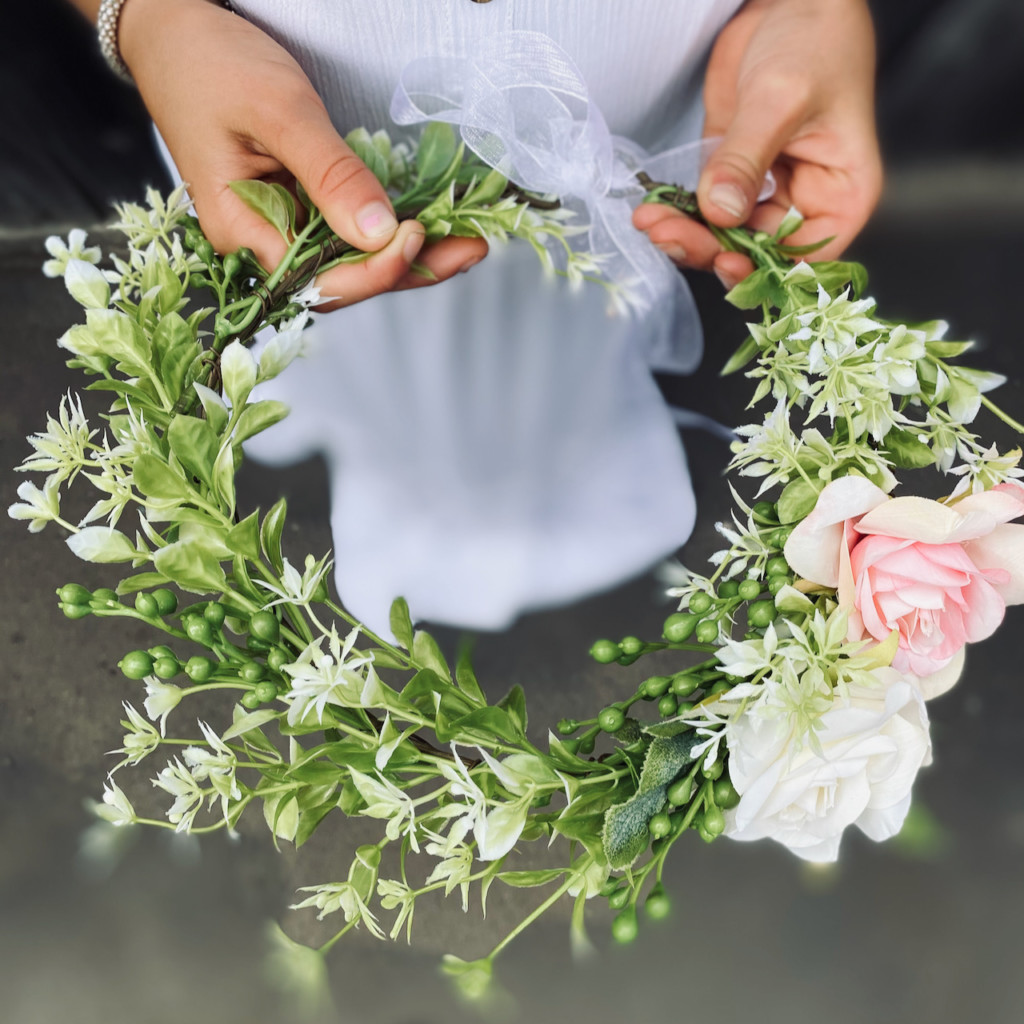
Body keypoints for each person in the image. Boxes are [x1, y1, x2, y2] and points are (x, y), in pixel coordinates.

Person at [69, 0, 882, 634]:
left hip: (631, 119)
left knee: (558, 330)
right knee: (361, 343)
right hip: (281, 126)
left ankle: (551, 449)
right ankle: (384, 442)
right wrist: (149, 17)